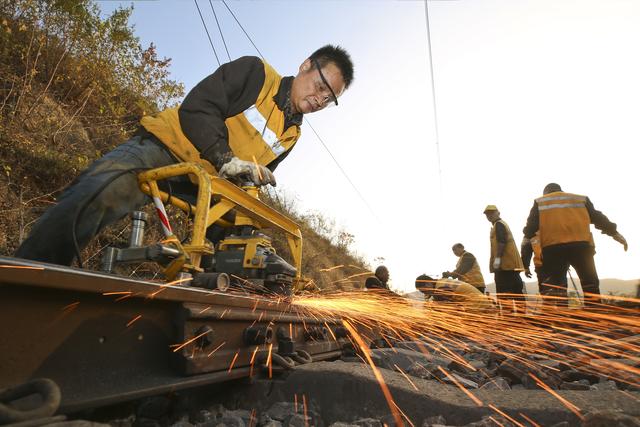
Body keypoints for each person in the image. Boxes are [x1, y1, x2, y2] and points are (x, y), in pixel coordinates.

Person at [16, 46, 355, 265]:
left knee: (244, 259)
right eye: (320, 86)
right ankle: (24, 278)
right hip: (166, 150)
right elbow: (198, 107)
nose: (320, 100)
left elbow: (256, 175)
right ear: (306, 65)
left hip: (207, 188)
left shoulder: (293, 134)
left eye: (329, 99)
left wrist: (248, 200)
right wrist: (225, 158)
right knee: (100, 193)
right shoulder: (256, 74)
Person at [522, 183, 627, 304]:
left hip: (553, 249)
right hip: (581, 247)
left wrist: (525, 252)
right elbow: (598, 217)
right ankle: (595, 313)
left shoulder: (540, 202)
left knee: (558, 286)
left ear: (545, 193)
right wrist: (615, 233)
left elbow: (530, 228)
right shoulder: (580, 199)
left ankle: (563, 318)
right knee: (590, 283)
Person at [483, 205, 525, 309]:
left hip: (504, 266)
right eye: (487, 214)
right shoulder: (500, 225)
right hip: (511, 266)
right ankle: (523, 318)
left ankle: (508, 320)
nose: (489, 215)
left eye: (492, 213)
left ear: (498, 212)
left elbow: (502, 242)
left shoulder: (499, 225)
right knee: (517, 293)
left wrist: (497, 260)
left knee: (504, 295)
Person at [521, 231, 568, 298]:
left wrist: (526, 267)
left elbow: (525, 248)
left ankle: (550, 306)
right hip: (557, 265)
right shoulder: (555, 226)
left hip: (544, 267)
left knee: (547, 295)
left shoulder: (531, 229)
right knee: (561, 293)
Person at [414, 274, 494, 311]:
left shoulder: (440, 289)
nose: (425, 294)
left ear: (428, 284)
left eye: (424, 291)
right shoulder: (442, 282)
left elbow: (449, 311)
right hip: (483, 307)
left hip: (479, 311)